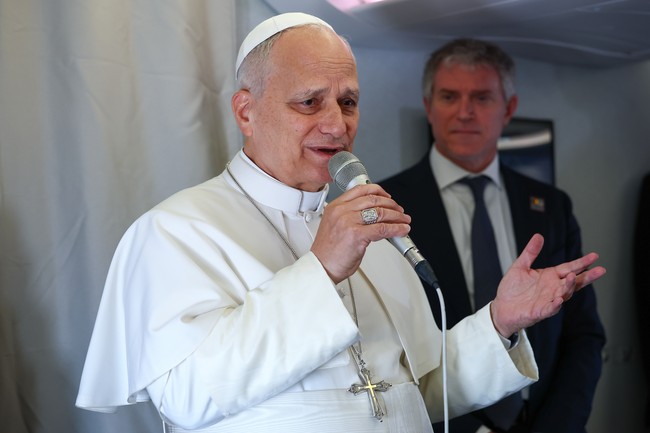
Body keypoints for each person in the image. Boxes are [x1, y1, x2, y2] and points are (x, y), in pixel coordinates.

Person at [76, 14, 605, 433]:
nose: (337, 124)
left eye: (348, 102)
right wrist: (322, 268)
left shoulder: (371, 226)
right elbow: (187, 396)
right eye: (309, 102)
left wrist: (499, 323)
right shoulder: (175, 231)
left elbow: (418, 393)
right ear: (245, 112)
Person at [380, 38, 606, 433]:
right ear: (429, 107)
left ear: (509, 108)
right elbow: (386, 345)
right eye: (449, 97)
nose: (465, 112)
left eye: (482, 98)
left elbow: (582, 335)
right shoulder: (386, 207)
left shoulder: (551, 207)